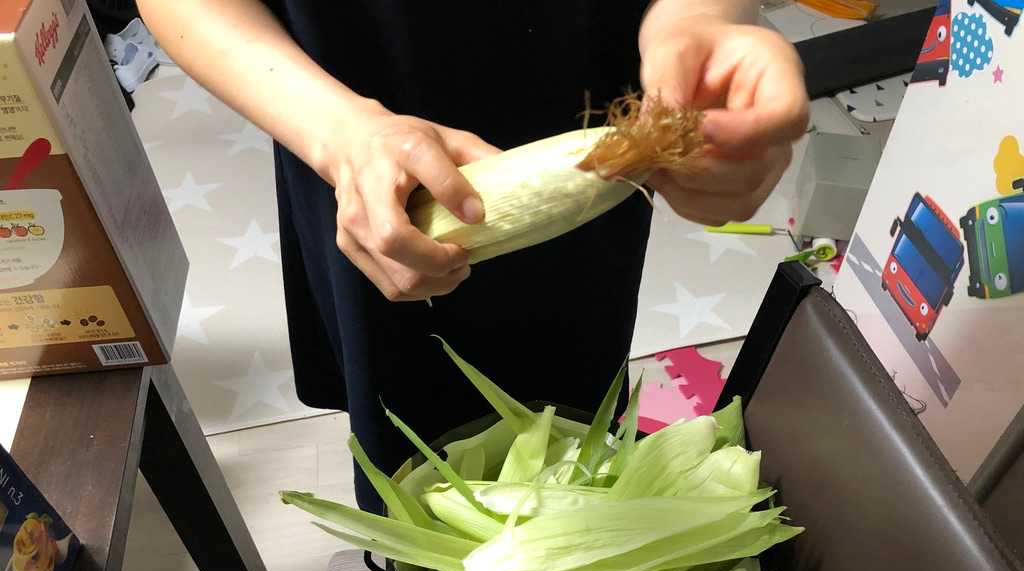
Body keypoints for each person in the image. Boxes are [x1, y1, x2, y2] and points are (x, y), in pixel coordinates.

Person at [137, 0, 809, 510]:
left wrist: (699, 22)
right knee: (402, 426)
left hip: (582, 165)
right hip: (361, 154)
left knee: (567, 406)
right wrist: (340, 134)